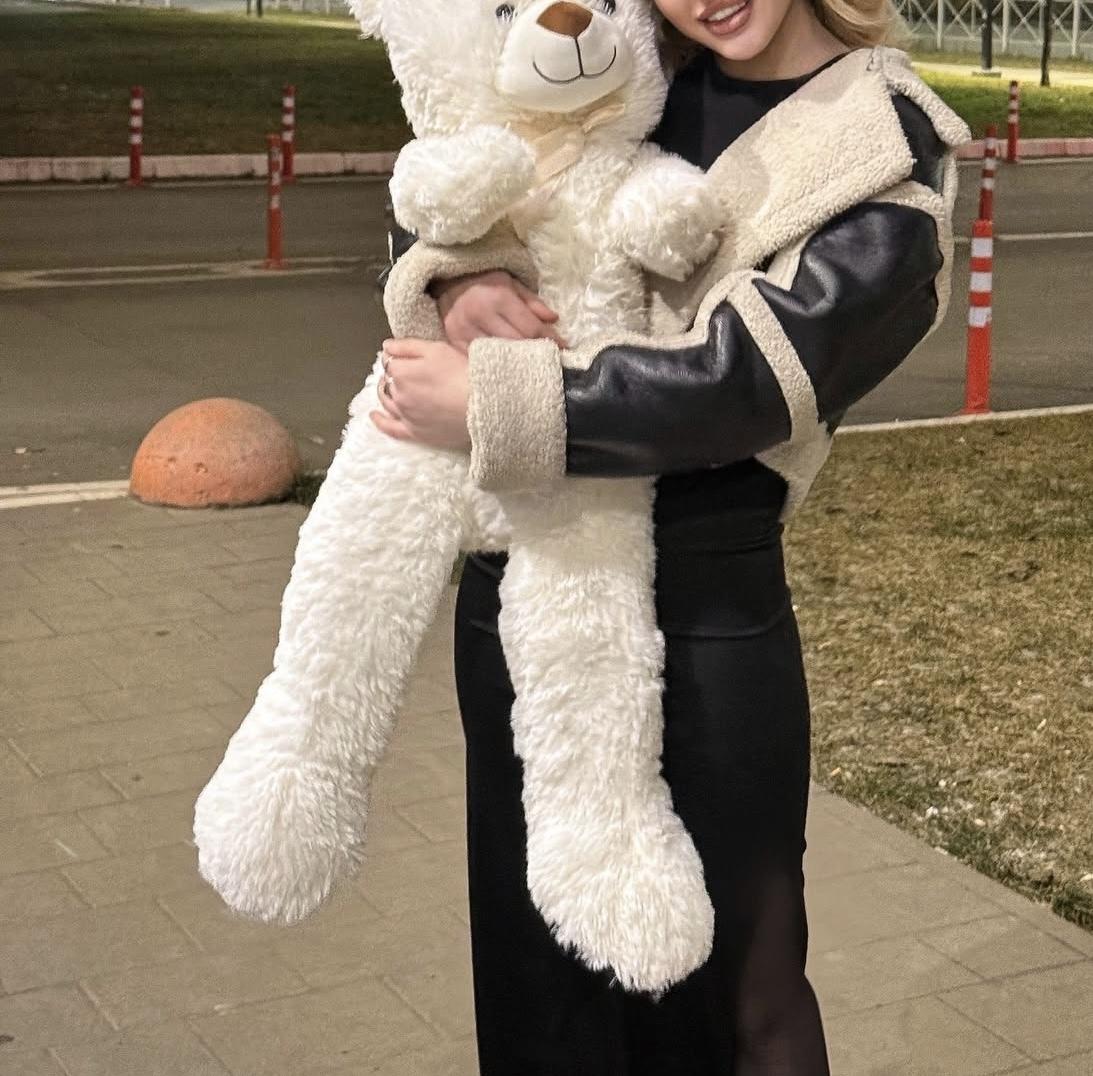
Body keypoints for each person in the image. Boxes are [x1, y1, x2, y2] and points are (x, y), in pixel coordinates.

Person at [369, 0, 969, 1071]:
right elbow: (462, 182)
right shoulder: (619, 67)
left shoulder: (885, 138)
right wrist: (464, 278)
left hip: (704, 614)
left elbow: (751, 383)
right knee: (539, 989)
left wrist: (498, 403)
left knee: (732, 999)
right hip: (523, 589)